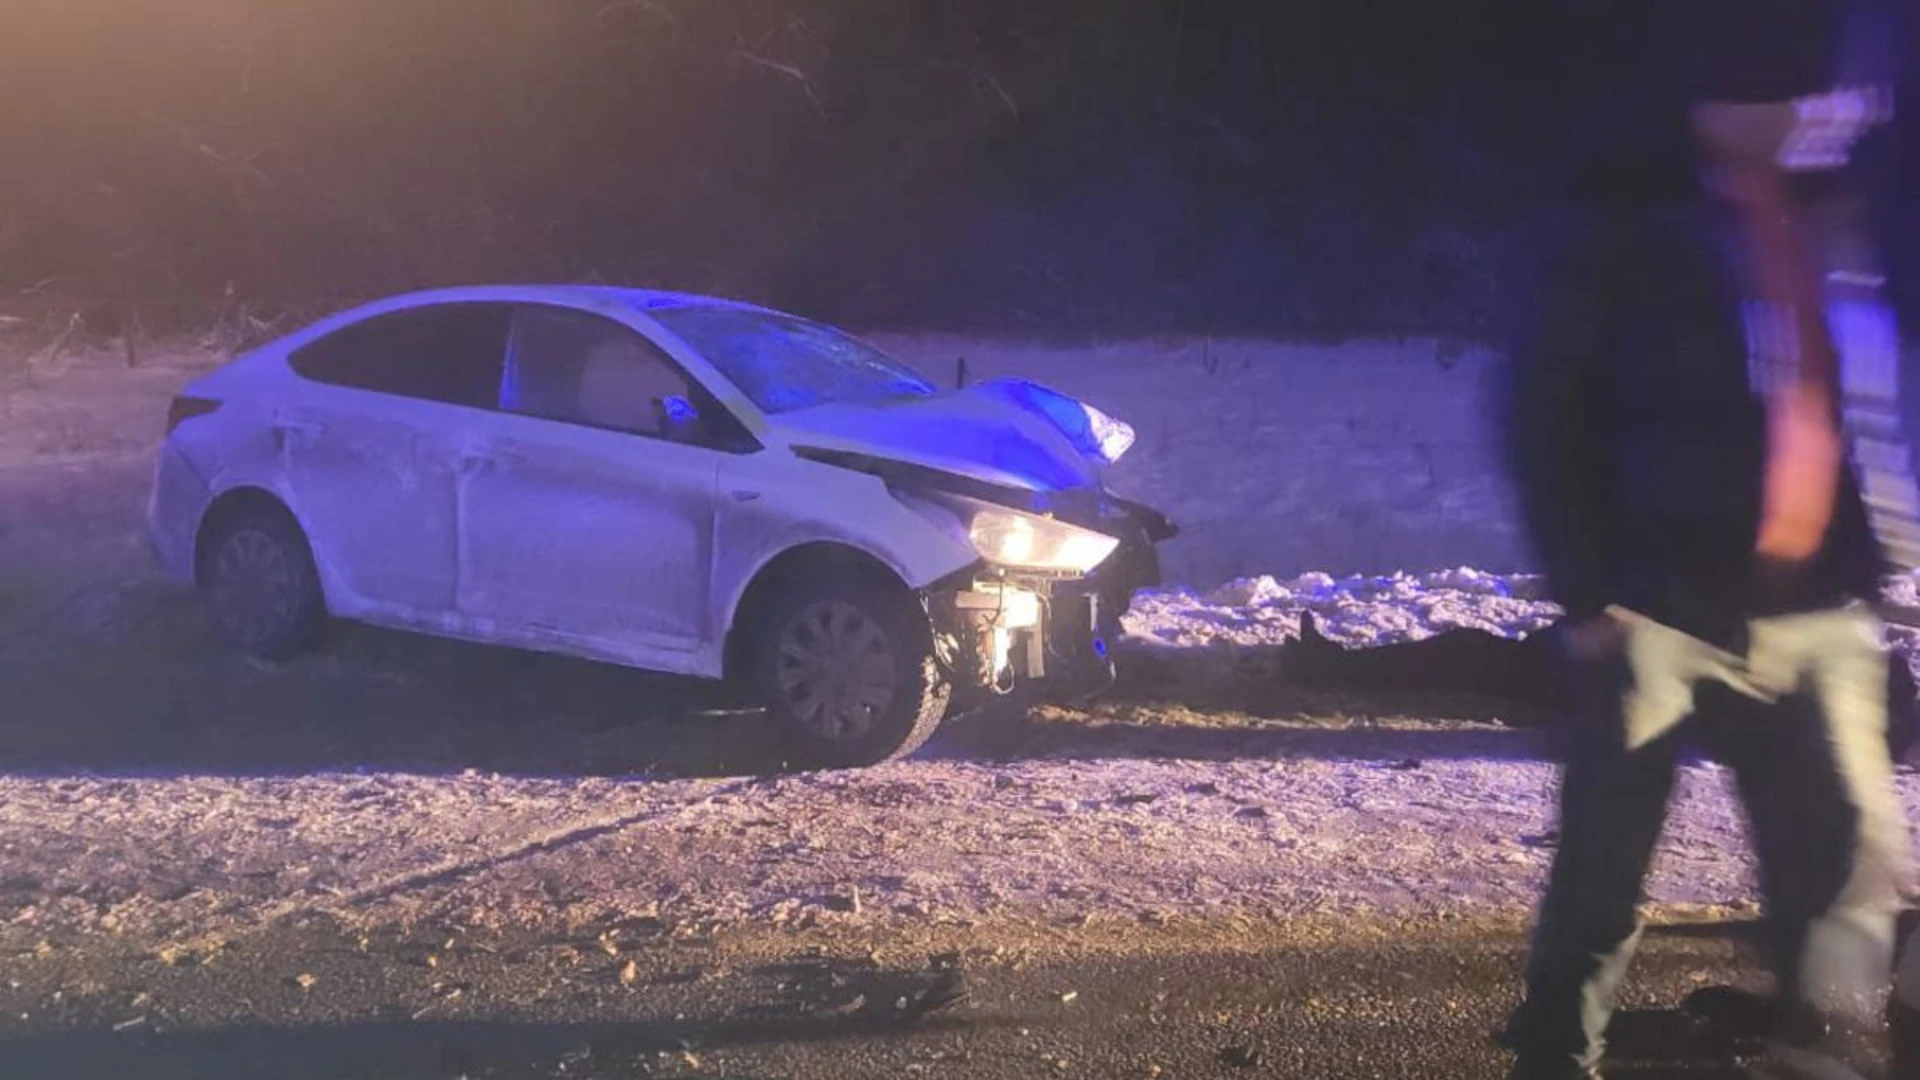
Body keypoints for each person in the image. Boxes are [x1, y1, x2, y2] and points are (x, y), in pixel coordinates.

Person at [1494, 4, 1917, 1077]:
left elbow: (1848, 409)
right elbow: (1544, 412)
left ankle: (1826, 1060)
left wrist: (1870, 571)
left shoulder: (1838, 224)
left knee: (1844, 878)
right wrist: (1590, 594)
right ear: (1723, 109)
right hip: (1657, 603)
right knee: (1603, 878)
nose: (1827, 114)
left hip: (1816, 606)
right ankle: (1554, 1061)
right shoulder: (1629, 231)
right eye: (1797, 98)